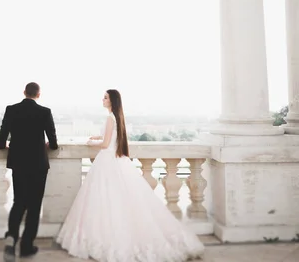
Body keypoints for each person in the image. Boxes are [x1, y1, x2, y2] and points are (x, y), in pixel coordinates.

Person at [56, 89, 204, 262]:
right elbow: (111, 138)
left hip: (106, 161)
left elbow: (105, 144)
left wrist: (91, 142)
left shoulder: (109, 118)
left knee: (105, 200)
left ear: (112, 101)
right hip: (115, 160)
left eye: (105, 98)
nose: (102, 100)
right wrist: (99, 136)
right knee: (120, 199)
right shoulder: (117, 117)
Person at [0, 82, 58, 260]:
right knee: (34, 205)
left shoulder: (11, 109)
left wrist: (4, 145)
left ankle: (11, 239)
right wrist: (49, 145)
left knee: (19, 202)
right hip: (38, 164)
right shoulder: (45, 112)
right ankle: (26, 246)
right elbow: (53, 142)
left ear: (24, 93)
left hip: (19, 163)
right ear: (38, 95)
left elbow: (1, 139)